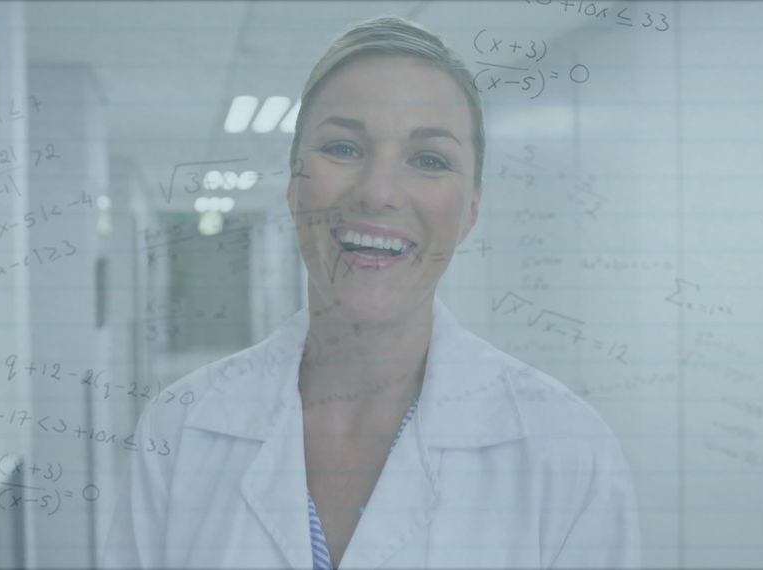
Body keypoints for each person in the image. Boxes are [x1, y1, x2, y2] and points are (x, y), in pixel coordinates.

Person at [104, 15, 640, 569]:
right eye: (343, 148)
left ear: (470, 212)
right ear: (293, 187)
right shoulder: (182, 426)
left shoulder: (566, 449)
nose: (379, 192)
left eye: (429, 160)